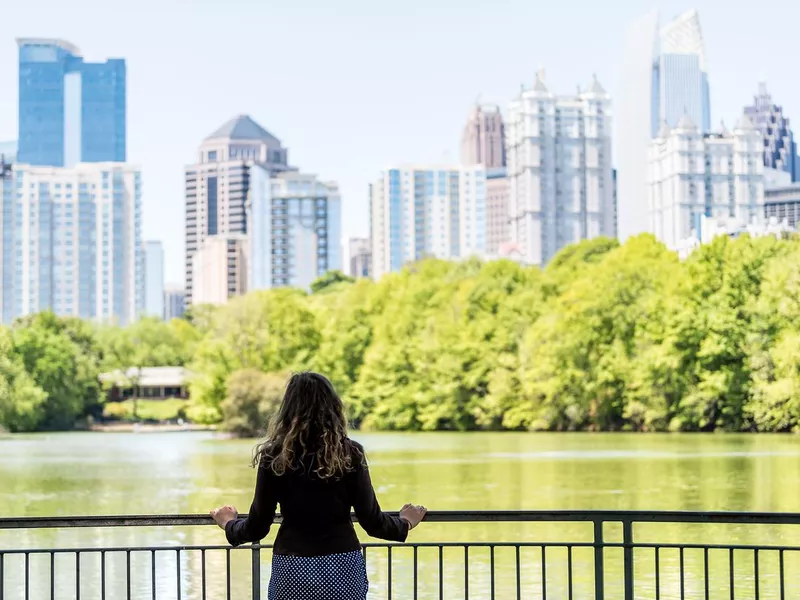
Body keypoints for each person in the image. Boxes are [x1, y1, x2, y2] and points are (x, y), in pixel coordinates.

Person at [210, 371, 427, 600]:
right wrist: (405, 523)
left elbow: (257, 526)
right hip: (341, 568)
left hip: (292, 569)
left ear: (288, 408)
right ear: (333, 407)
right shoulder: (350, 453)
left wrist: (228, 523)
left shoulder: (274, 456)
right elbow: (372, 522)